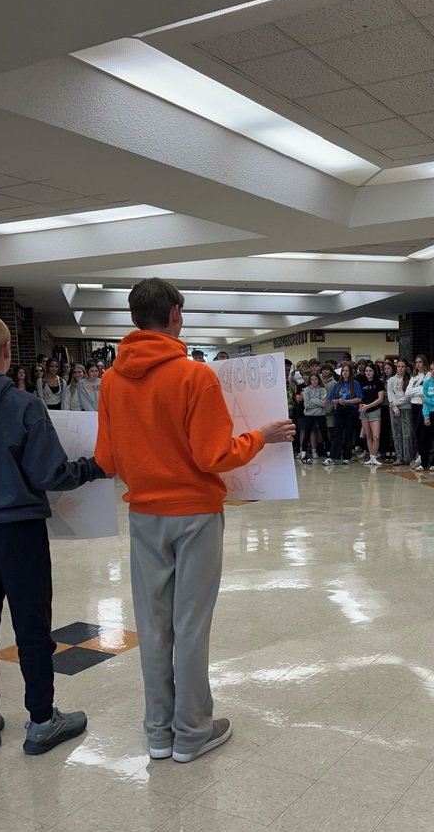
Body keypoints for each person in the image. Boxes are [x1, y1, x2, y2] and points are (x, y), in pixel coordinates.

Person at [95, 278, 295, 763]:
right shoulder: (194, 376)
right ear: (175, 314)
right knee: (190, 625)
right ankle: (191, 732)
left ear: (134, 319)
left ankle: (158, 732)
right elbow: (213, 456)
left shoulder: (110, 381)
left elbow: (106, 460)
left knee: (152, 626)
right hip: (195, 515)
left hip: (144, 514)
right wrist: (260, 437)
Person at [0, 312, 107, 754]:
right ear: (7, 352)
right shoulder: (24, 405)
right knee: (31, 623)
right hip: (18, 529)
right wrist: (93, 467)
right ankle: (42, 720)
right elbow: (48, 473)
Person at [329, 364, 362, 464]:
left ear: (350, 372)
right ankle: (333, 456)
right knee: (337, 433)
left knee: (349, 433)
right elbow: (332, 399)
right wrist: (338, 401)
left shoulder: (355, 384)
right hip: (340, 409)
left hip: (351, 409)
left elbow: (359, 398)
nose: (345, 373)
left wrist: (347, 401)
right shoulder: (337, 384)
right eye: (343, 371)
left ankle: (347, 457)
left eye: (347, 371)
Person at [386, 358, 413, 466]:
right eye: (398, 366)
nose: (400, 369)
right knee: (396, 433)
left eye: (402, 367)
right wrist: (395, 408)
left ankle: (408, 457)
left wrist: (396, 403)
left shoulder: (410, 379)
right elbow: (390, 394)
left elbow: (408, 396)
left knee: (407, 434)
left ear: (406, 368)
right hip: (394, 409)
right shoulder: (392, 380)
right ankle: (399, 457)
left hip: (406, 408)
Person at [358, 362, 385, 466]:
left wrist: (368, 406)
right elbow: (359, 397)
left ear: (374, 372)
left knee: (376, 436)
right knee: (368, 435)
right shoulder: (362, 383)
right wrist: (361, 405)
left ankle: (374, 456)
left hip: (374, 411)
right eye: (366, 371)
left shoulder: (378, 383)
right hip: (364, 412)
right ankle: (371, 457)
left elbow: (380, 399)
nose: (368, 373)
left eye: (370, 371)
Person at [404, 355, 428, 466]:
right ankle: (419, 453)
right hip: (414, 405)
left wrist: (414, 391)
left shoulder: (428, 375)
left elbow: (425, 390)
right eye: (416, 362)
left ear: (424, 363)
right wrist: (418, 390)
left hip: (423, 405)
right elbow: (407, 392)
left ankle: (423, 454)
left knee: (420, 431)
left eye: (420, 362)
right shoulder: (414, 377)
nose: (418, 364)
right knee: (416, 432)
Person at [299, 372, 328, 463]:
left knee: (324, 433)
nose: (314, 381)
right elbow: (307, 405)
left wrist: (312, 400)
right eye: (312, 379)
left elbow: (323, 403)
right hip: (309, 415)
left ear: (318, 380)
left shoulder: (323, 389)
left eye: (316, 379)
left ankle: (329, 453)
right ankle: (303, 454)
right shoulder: (307, 390)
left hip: (320, 415)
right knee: (307, 434)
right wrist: (317, 402)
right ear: (310, 381)